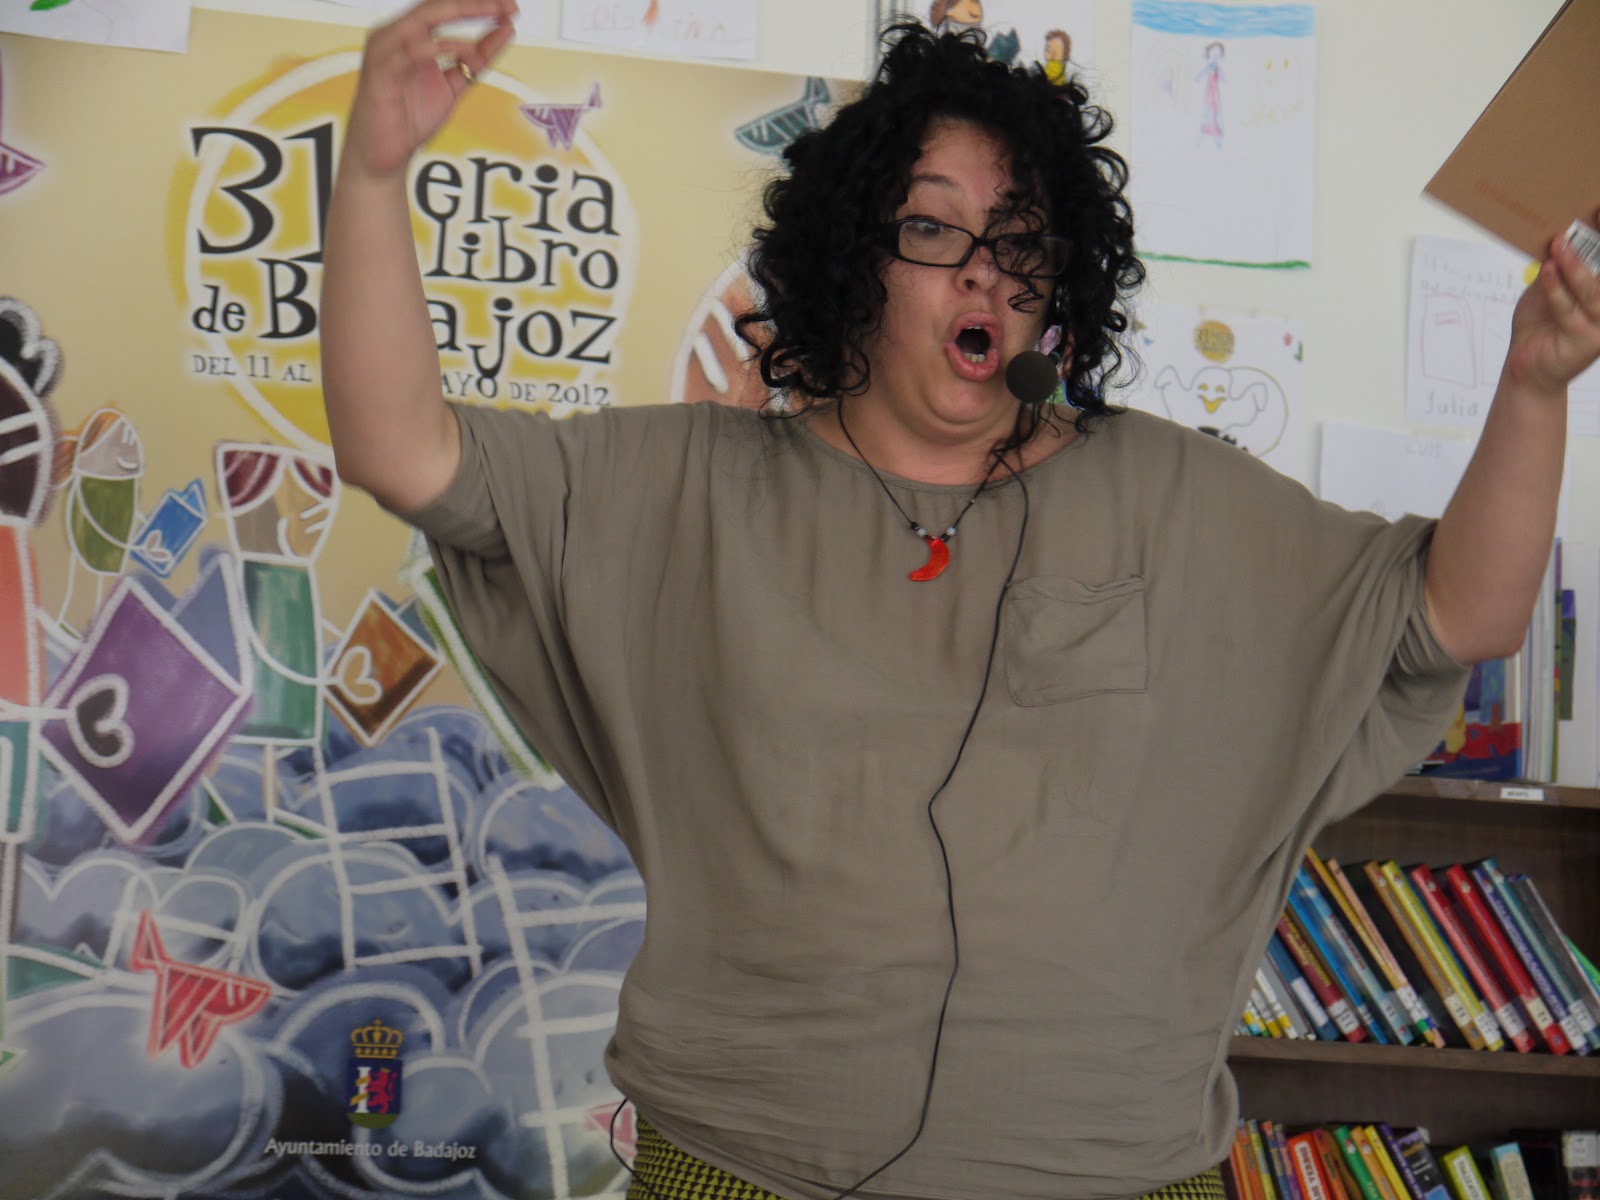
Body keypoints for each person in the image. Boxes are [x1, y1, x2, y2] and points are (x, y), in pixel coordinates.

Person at [319, 1, 1600, 1197]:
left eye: (1019, 240)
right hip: (742, 1167)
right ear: (850, 262)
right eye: (931, 231)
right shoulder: (688, 484)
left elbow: (1461, 613)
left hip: (1119, 1174)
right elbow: (406, 451)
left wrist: (1536, 382)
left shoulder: (1175, 492)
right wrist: (373, 175)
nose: (983, 273)